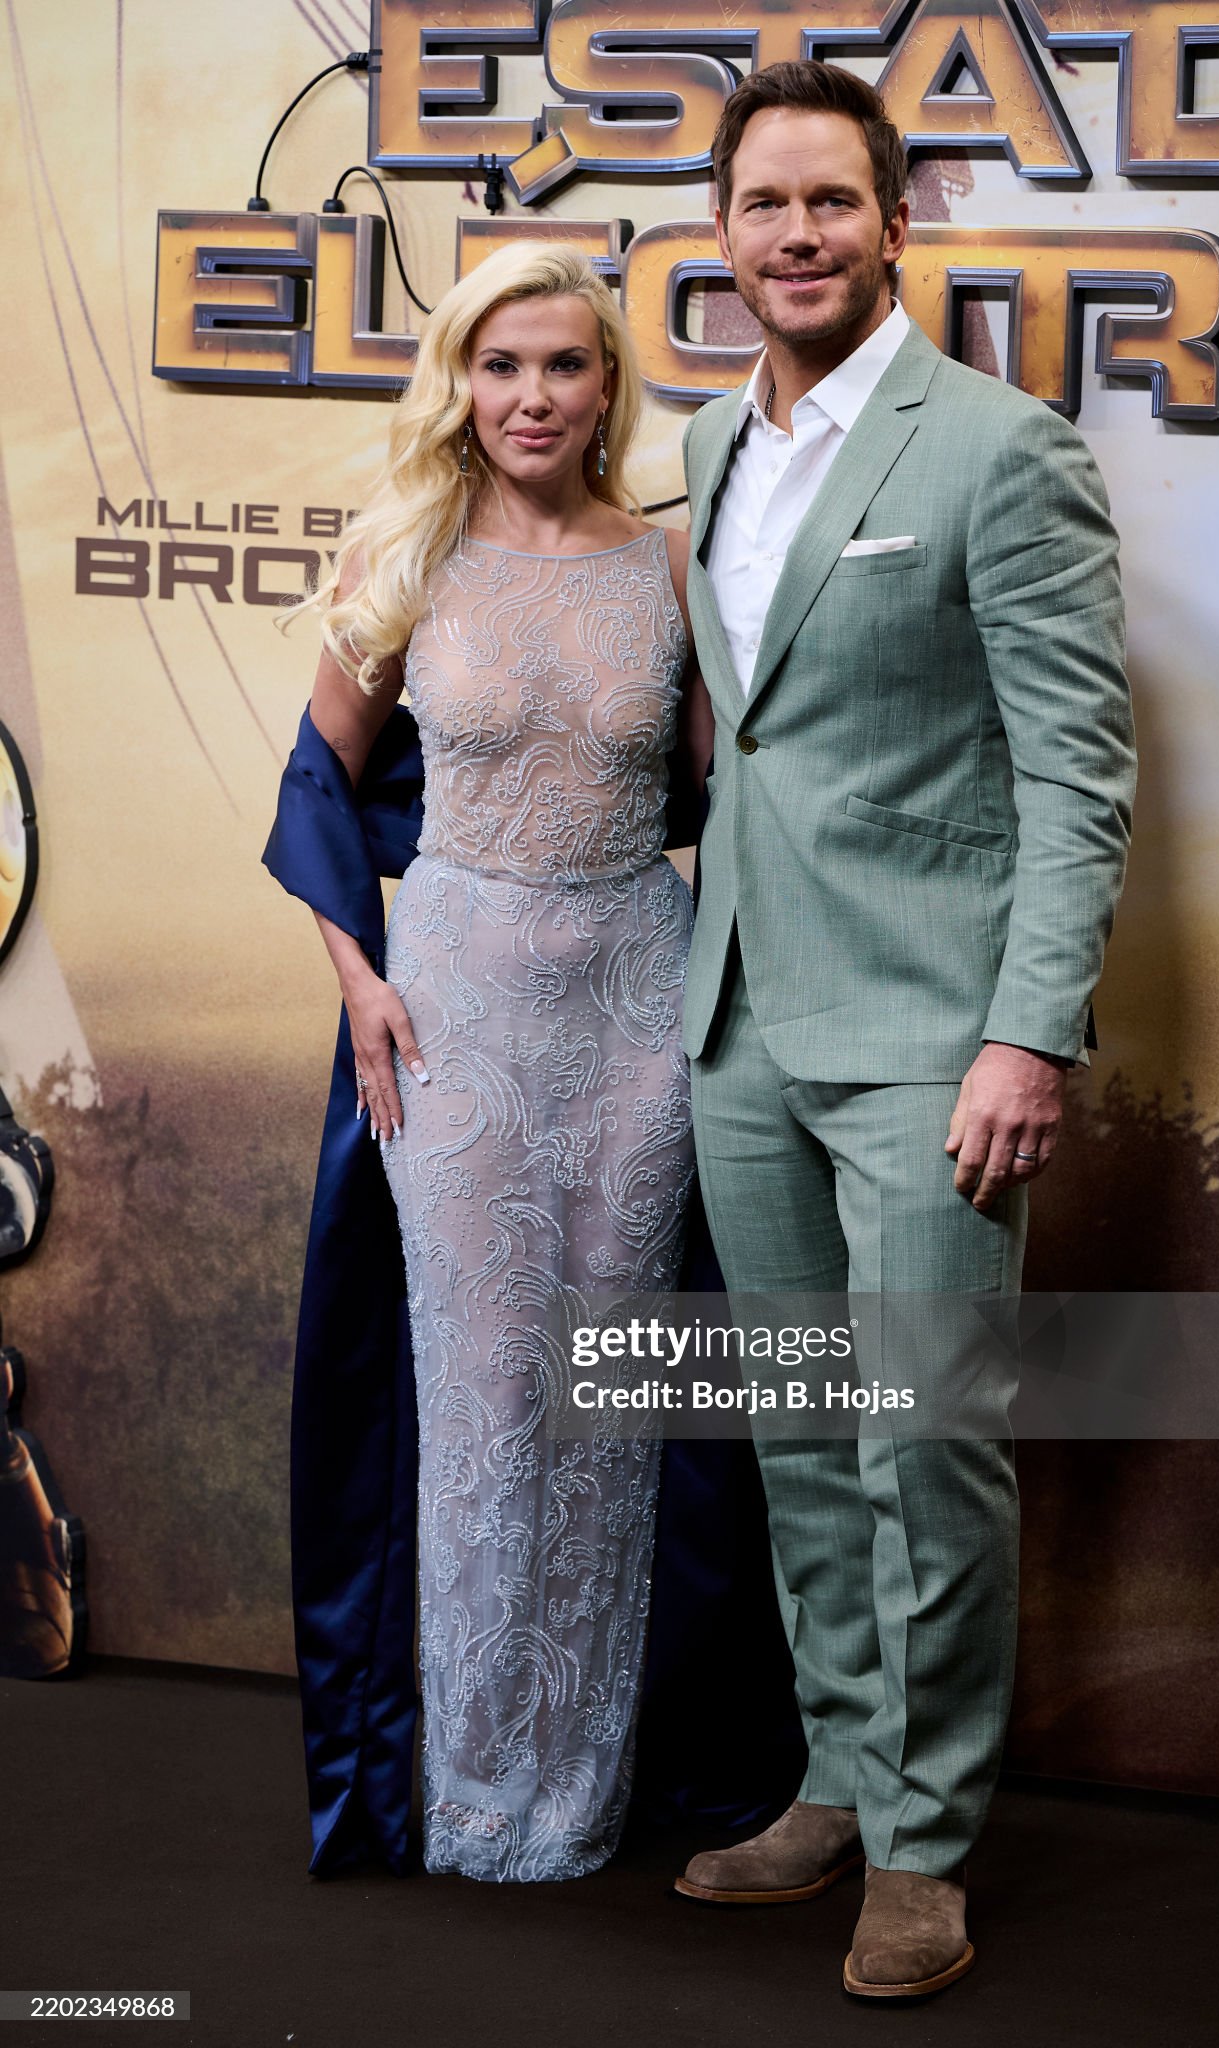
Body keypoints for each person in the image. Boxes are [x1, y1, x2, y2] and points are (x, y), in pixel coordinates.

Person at [673, 62, 1137, 1996]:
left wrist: (1029, 1036)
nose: (795, 235)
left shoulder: (1000, 450)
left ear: (891, 222)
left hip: (936, 1036)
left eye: (829, 203)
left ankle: (926, 1847)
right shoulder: (705, 440)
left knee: (922, 1442)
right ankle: (840, 1780)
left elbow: (1077, 773)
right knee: (800, 1438)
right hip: (738, 1025)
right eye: (762, 204)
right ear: (720, 234)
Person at [283, 241, 714, 1882]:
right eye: (500, 364)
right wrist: (358, 977)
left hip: (637, 1004)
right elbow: (316, 783)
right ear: (460, 384)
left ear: (608, 388)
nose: (531, 397)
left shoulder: (667, 566)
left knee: (606, 1400)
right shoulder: (402, 554)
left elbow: (729, 799)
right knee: (477, 1398)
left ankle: (583, 1794)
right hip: (451, 1001)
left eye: (564, 365)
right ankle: (464, 1795)